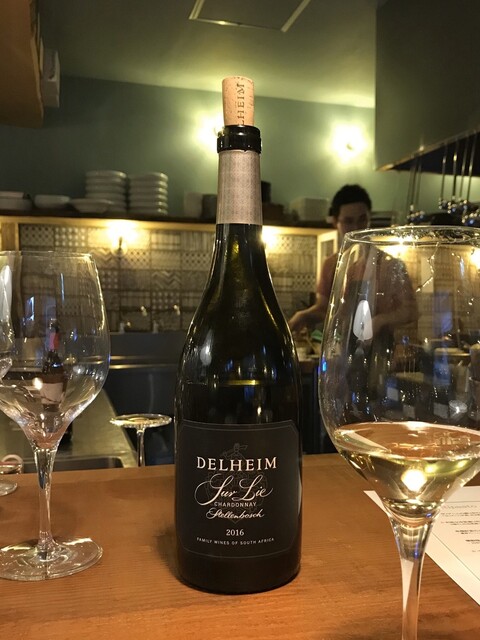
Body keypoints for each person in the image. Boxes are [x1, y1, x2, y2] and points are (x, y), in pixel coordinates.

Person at [288, 184, 372, 333]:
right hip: (341, 343)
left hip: (380, 345)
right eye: (348, 221)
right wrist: (302, 315)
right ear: (335, 222)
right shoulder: (331, 264)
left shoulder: (388, 265)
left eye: (362, 219)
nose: (357, 227)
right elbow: (323, 308)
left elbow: (408, 312)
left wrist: (379, 320)